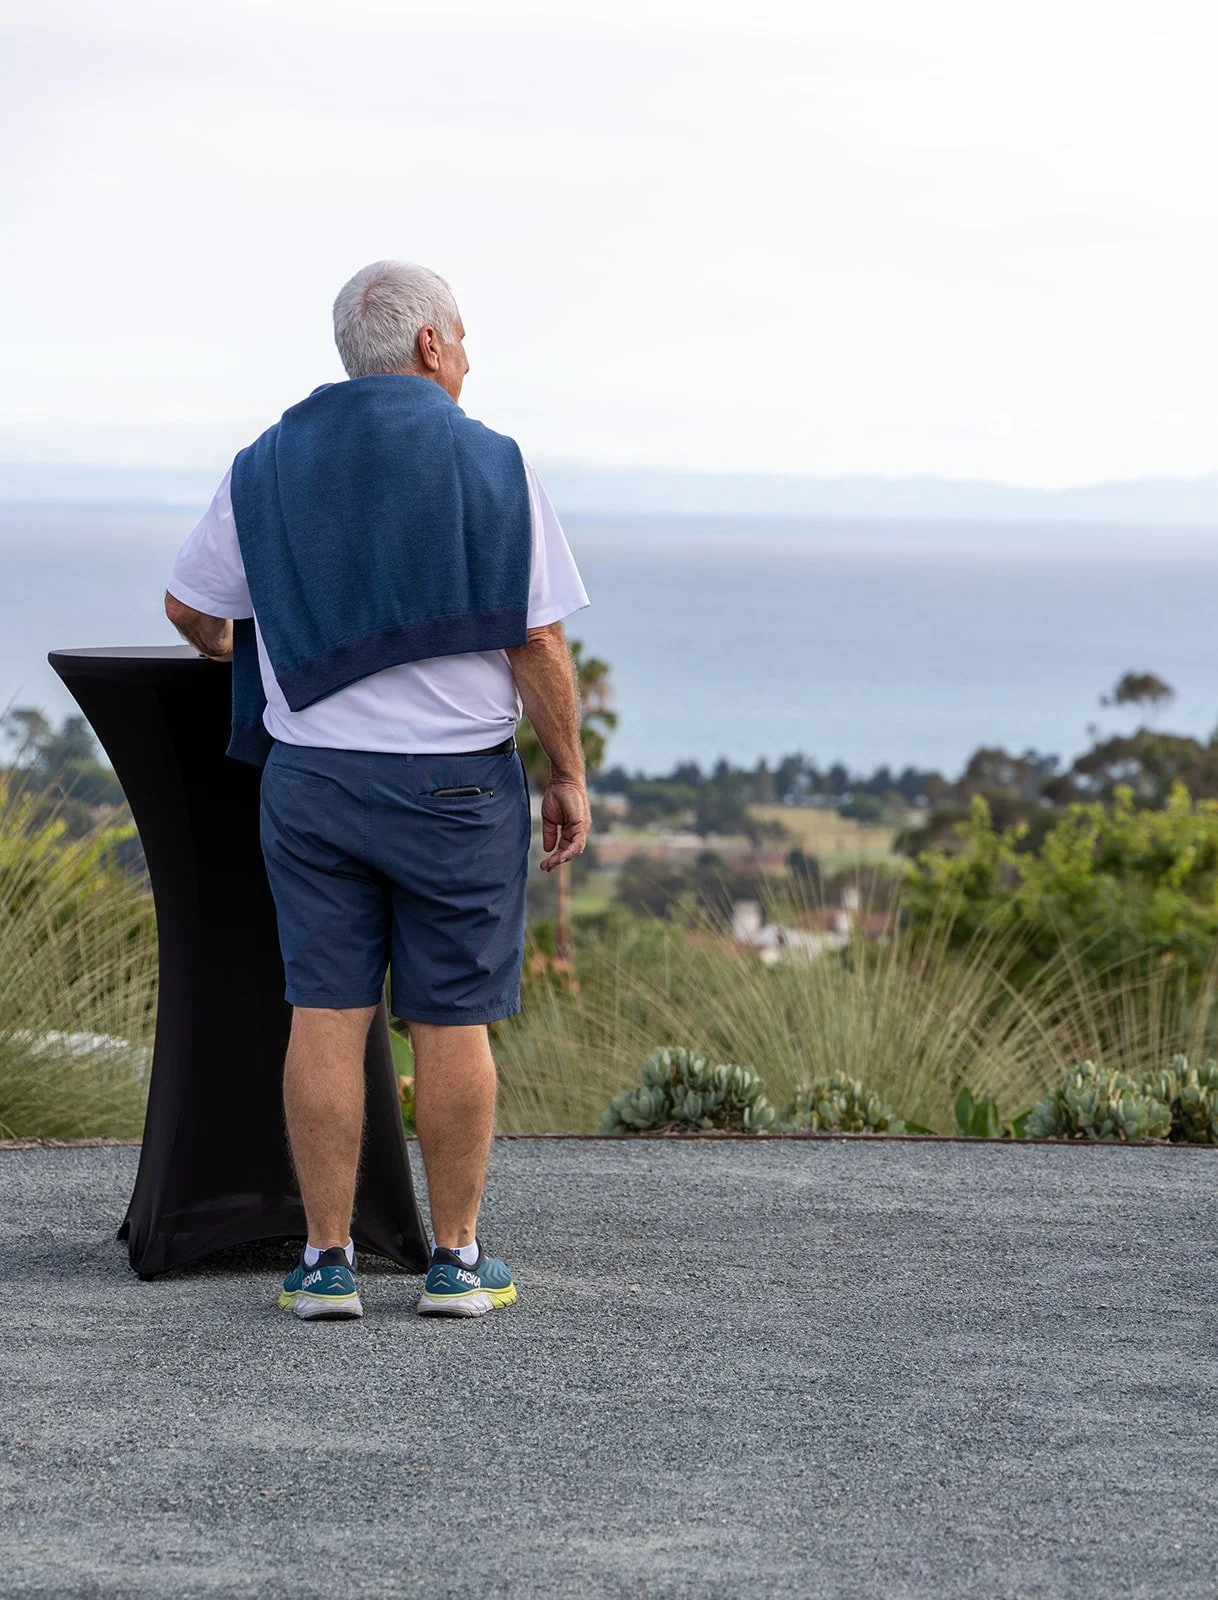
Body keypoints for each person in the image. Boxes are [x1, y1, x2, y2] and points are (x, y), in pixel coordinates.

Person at [164, 260, 590, 1322]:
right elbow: (534, 638)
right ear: (434, 347)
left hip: (312, 785)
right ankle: (454, 1262)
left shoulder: (263, 463)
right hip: (457, 791)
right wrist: (569, 772)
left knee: (324, 1010)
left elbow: (189, 607)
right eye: (467, 339)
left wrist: (240, 655)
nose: (471, 359)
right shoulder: (491, 461)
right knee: (450, 1022)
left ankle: (324, 1263)